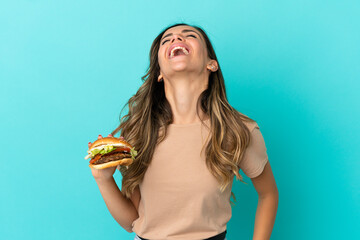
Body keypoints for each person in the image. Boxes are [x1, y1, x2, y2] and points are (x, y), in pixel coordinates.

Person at [88, 23, 278, 240]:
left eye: (189, 35)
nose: (176, 38)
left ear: (211, 64)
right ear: (159, 72)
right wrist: (103, 179)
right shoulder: (138, 132)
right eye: (166, 39)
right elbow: (131, 222)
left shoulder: (238, 130)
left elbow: (268, 194)